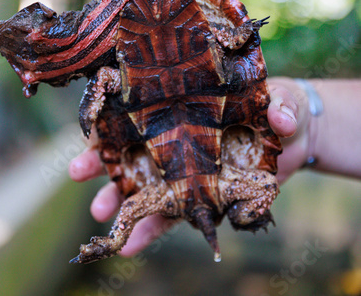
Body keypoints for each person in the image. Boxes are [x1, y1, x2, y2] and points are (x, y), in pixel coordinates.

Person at [68, 77, 361, 257]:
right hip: (204, 86)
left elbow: (128, 213)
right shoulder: (230, 180)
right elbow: (267, 184)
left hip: (138, 104)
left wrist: (112, 241)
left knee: (109, 86)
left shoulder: (161, 195)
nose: (204, 220)